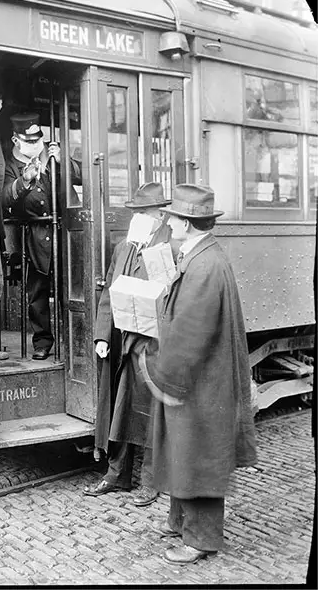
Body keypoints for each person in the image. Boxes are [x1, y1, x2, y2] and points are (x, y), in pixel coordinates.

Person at [146, 183, 258, 565]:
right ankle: (181, 521)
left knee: (200, 455)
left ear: (188, 223)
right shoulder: (202, 256)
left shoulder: (204, 264)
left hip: (199, 381)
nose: (168, 221)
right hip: (201, 377)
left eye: (172, 216)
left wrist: (166, 375)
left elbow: (193, 329)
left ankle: (200, 539)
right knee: (187, 450)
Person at [84, 182, 172, 506]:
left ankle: (152, 480)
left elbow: (173, 298)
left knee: (150, 411)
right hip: (122, 342)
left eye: (143, 212)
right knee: (120, 408)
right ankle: (116, 474)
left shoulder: (168, 249)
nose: (136, 217)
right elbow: (109, 292)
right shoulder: (123, 247)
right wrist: (101, 335)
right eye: (135, 212)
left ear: (160, 216)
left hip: (153, 344)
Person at [2, 112, 82, 360]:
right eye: (29, 142)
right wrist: (24, 181)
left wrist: (62, 163)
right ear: (16, 141)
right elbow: (5, 199)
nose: (36, 146)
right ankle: (43, 341)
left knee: (70, 290)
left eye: (38, 141)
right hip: (35, 237)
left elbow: (80, 177)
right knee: (37, 294)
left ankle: (74, 340)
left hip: (65, 234)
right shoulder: (12, 166)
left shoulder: (52, 154)